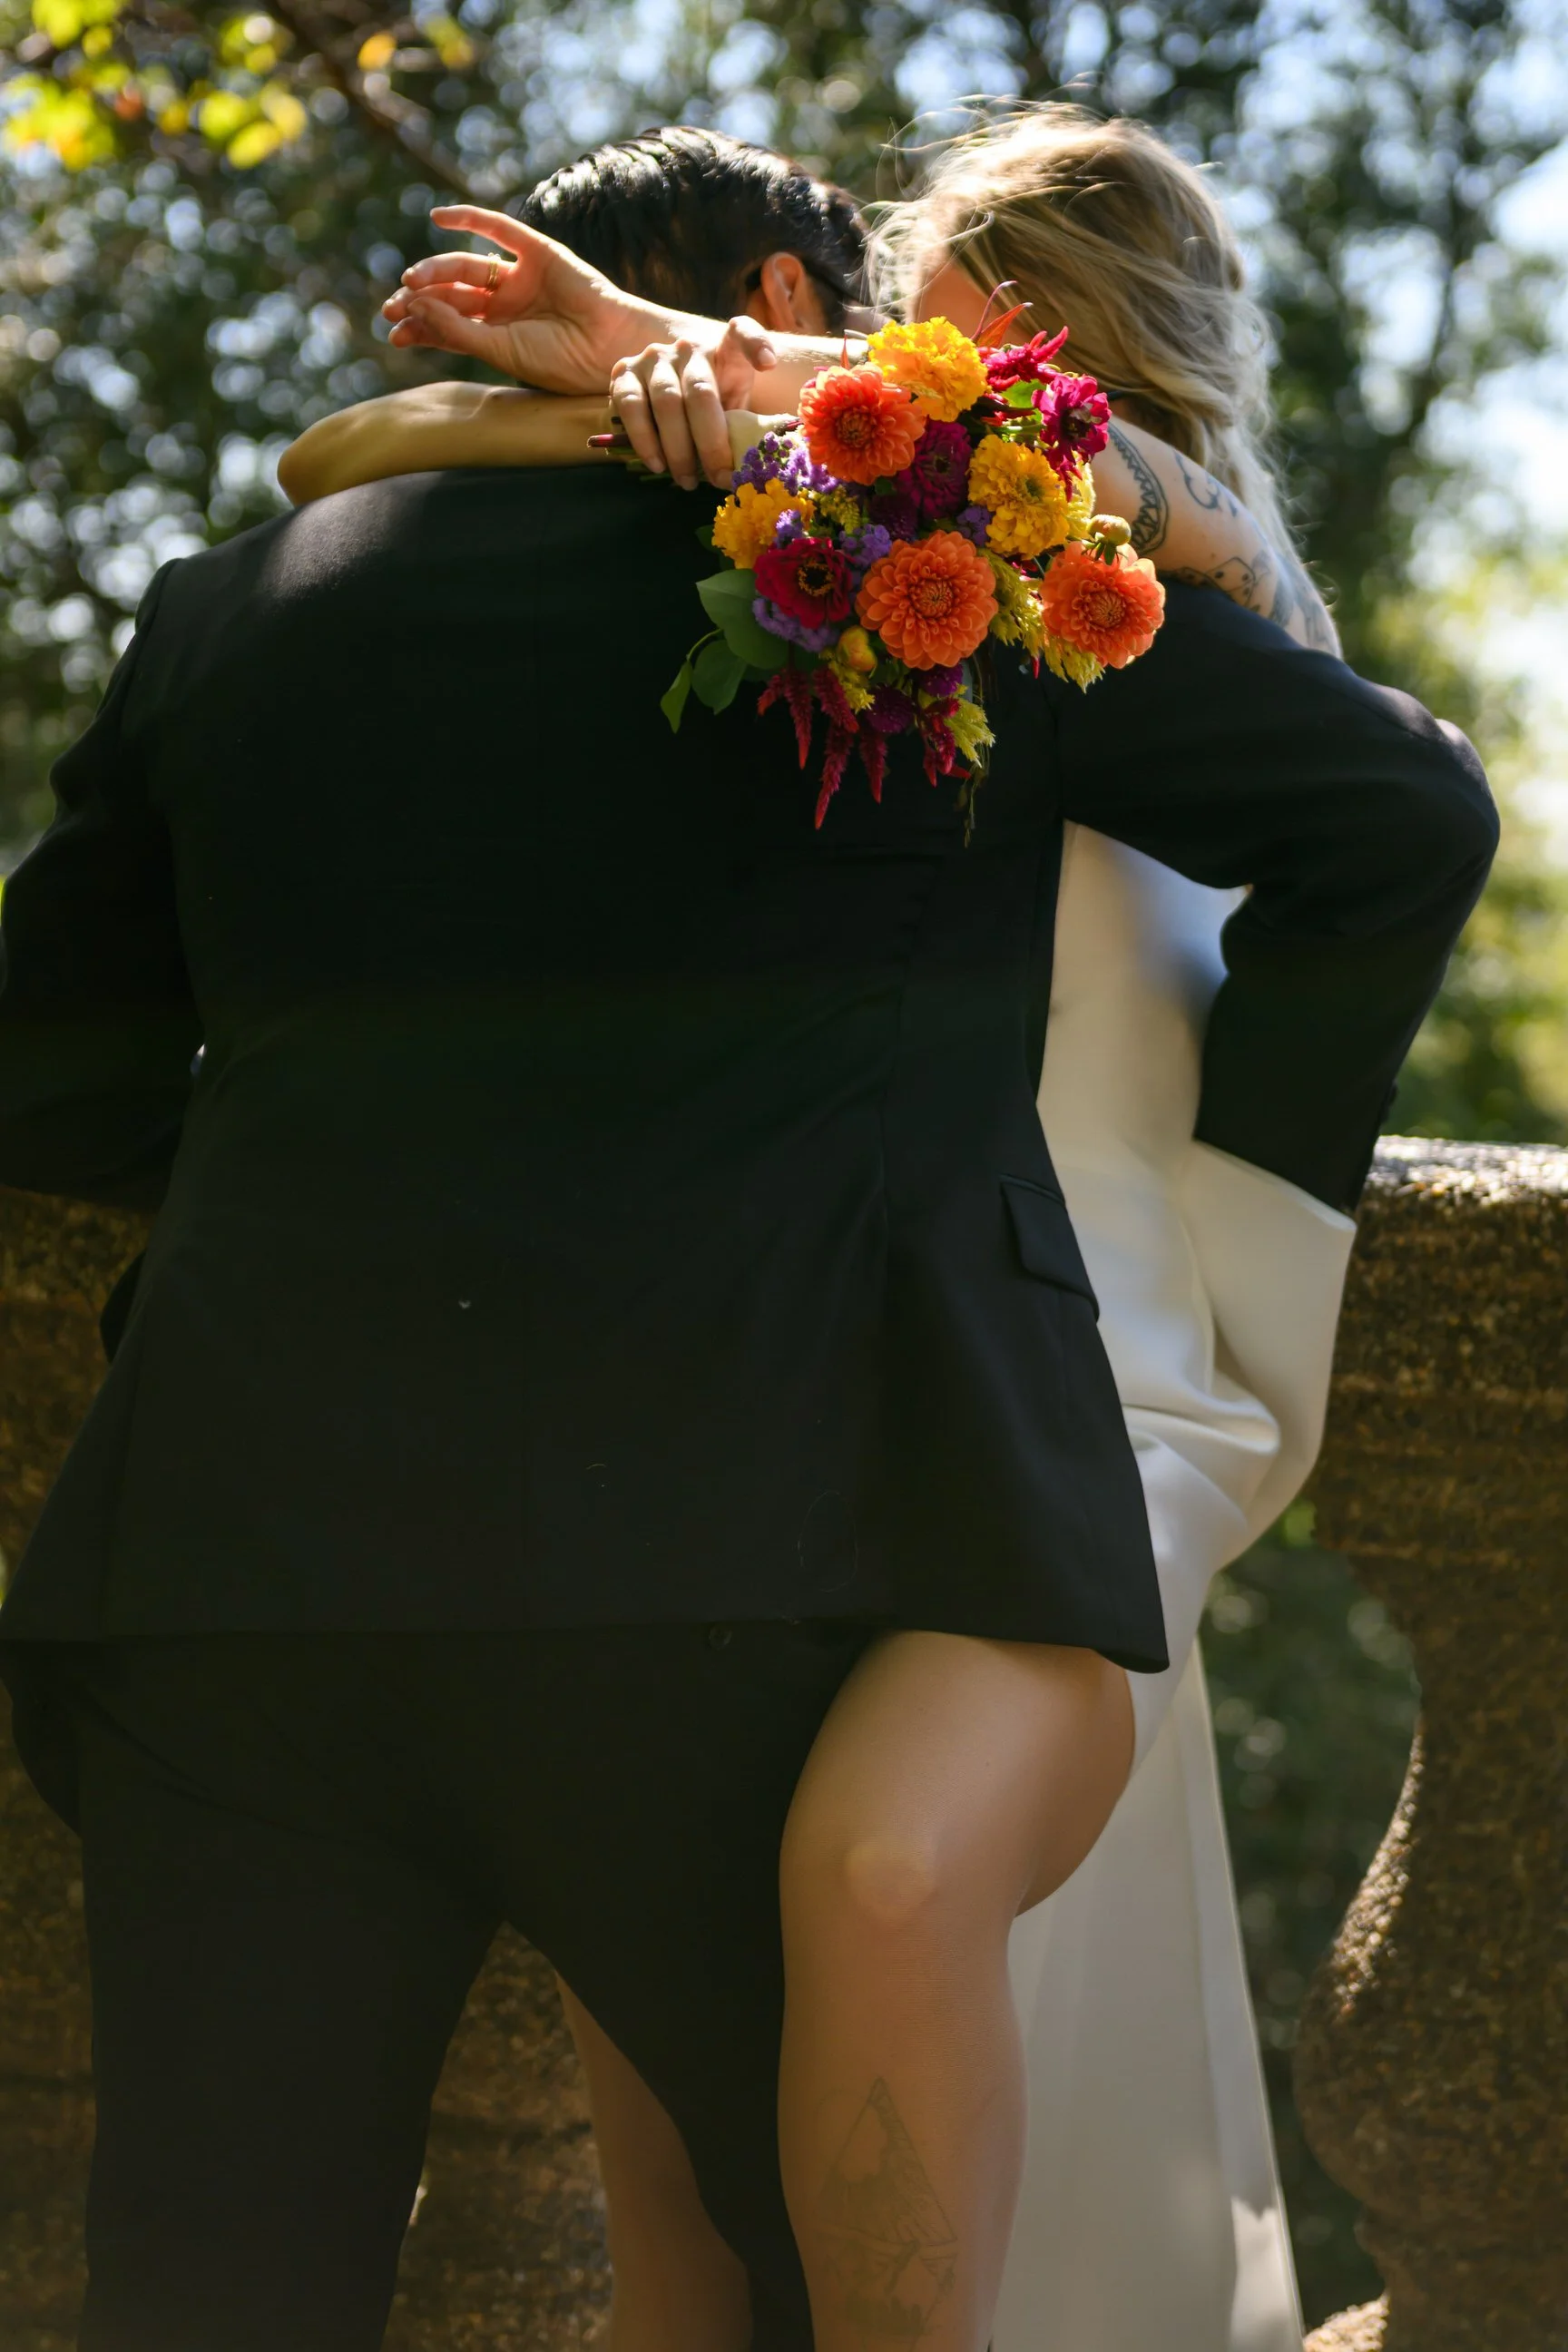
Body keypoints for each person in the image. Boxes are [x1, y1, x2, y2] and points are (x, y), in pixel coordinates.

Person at [0, 120, 1494, 2352]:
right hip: (743, 1547)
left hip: (233, 1572)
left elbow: (54, 1080)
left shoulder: (235, 608)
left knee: (210, 2291)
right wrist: (1244, 1200)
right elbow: (1398, 815)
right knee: (817, 2285)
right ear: (783, 316)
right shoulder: (899, 555)